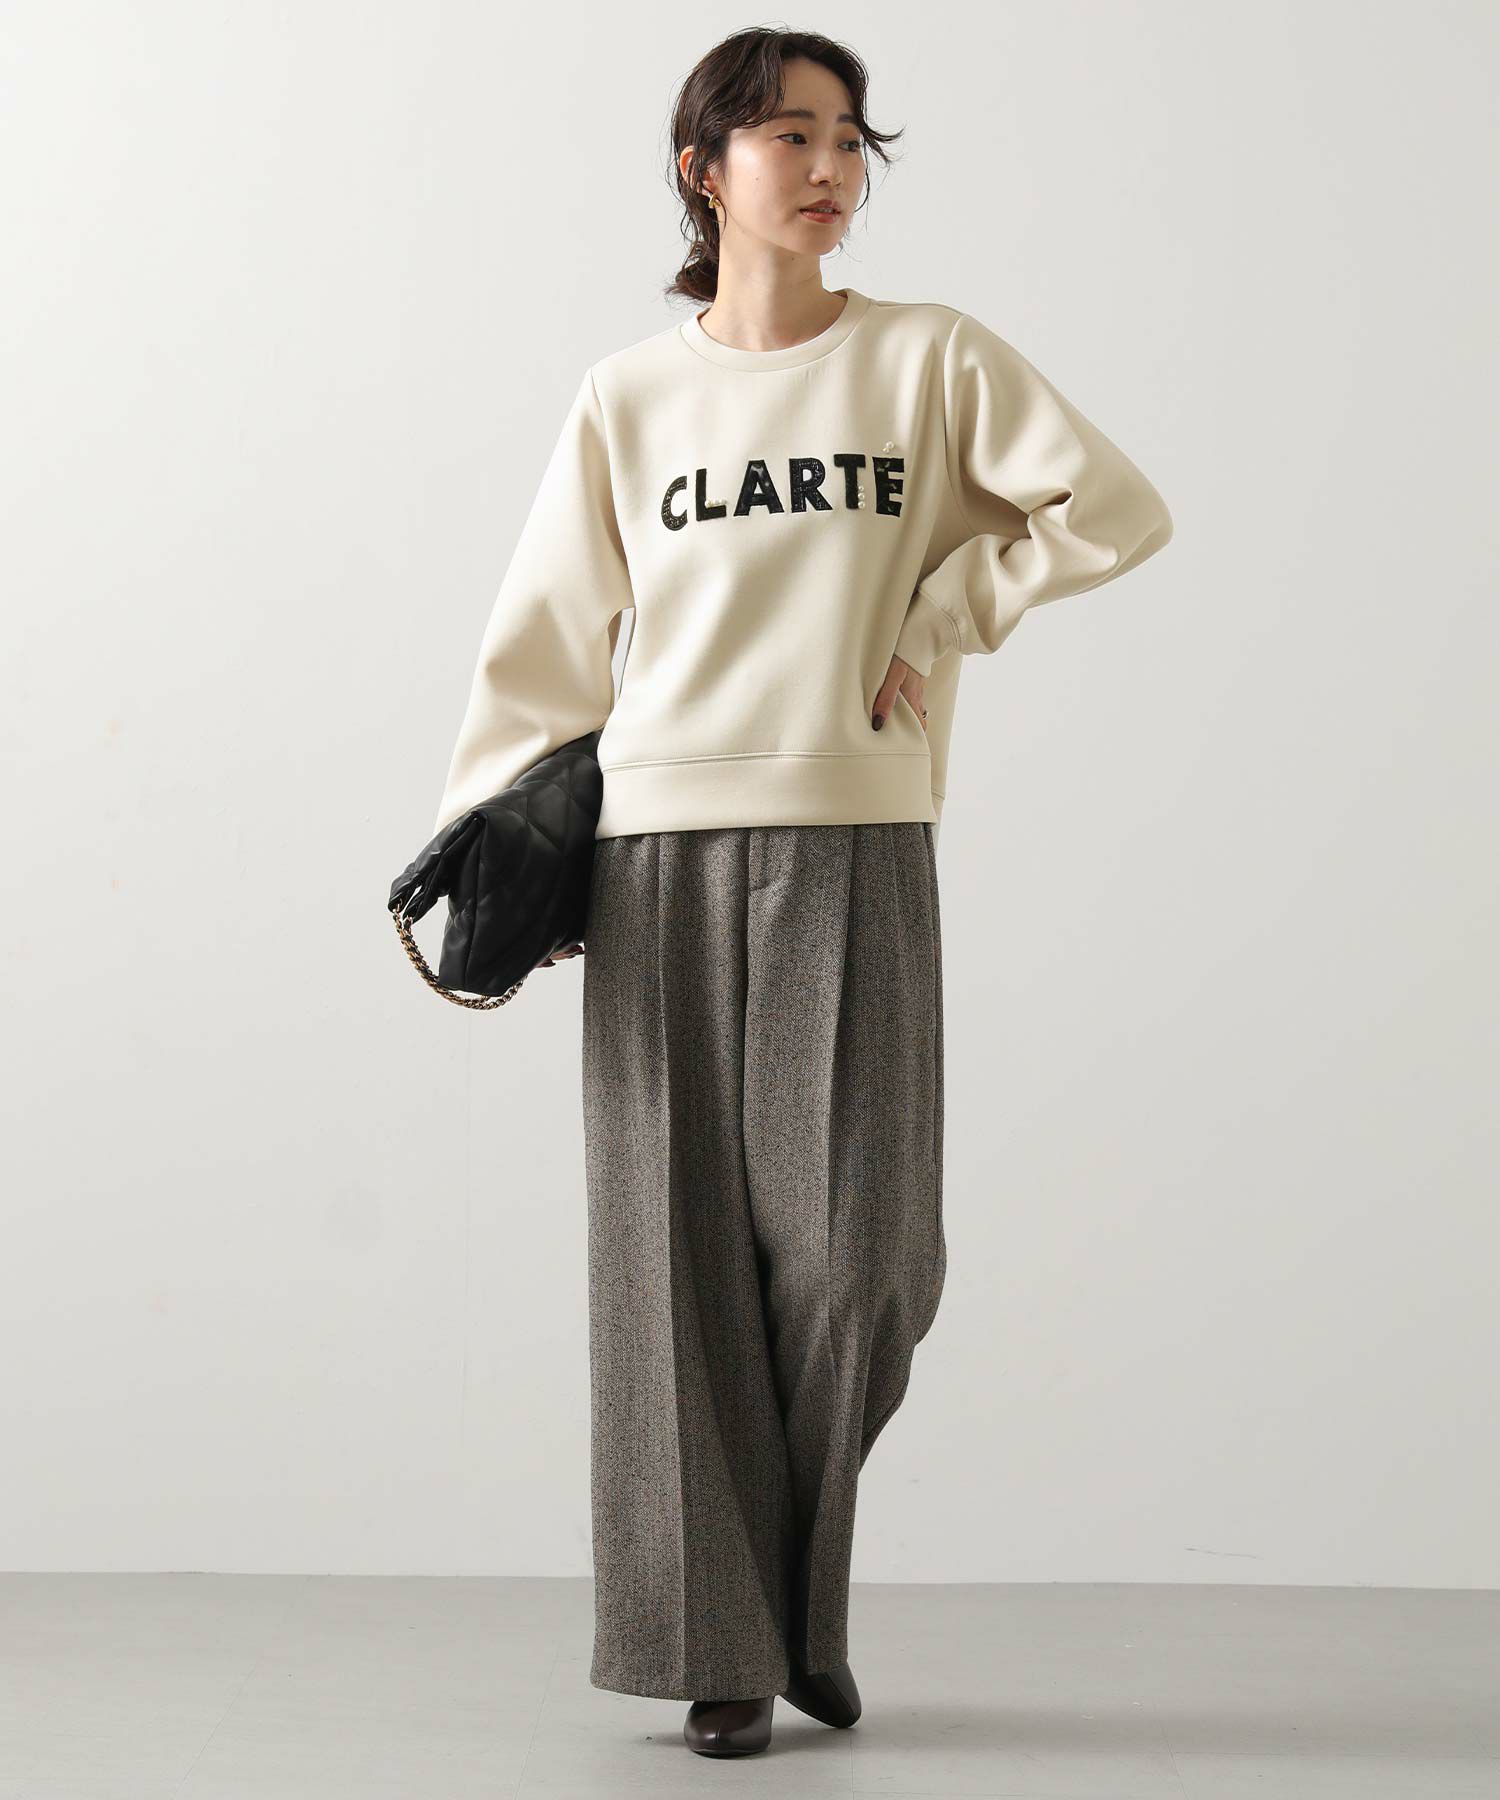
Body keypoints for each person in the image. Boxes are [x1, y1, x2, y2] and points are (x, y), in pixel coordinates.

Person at [430, 26, 1174, 1760]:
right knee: (671, 1265)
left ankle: (791, 1605)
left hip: (853, 831)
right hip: (653, 851)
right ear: (706, 169)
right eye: (790, 136)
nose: (831, 167)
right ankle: (726, 1650)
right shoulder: (629, 397)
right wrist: (489, 835)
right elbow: (546, 641)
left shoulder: (928, 360)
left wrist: (943, 611)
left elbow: (1114, 510)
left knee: (863, 1257)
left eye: (850, 139)